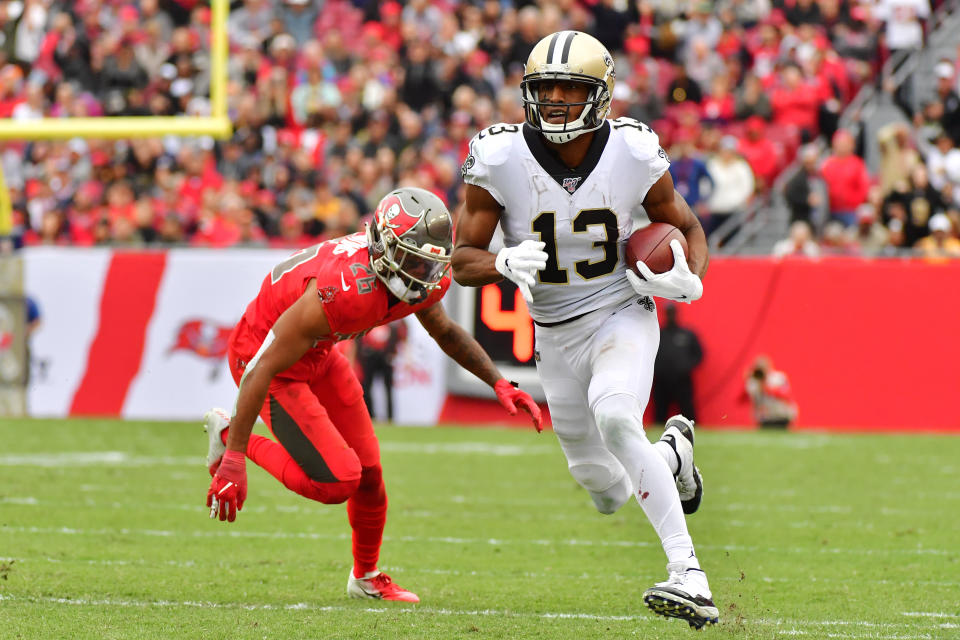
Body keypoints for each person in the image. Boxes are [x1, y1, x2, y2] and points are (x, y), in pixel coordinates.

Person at [452, 31, 718, 629]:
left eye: (570, 90)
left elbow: (687, 227)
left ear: (600, 95)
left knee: (618, 415)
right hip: (553, 331)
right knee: (604, 490)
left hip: (619, 308)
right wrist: (499, 263)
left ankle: (689, 575)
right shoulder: (498, 155)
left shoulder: (632, 149)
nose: (555, 103)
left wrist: (690, 279)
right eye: (545, 90)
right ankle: (672, 455)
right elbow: (460, 257)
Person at [203, 187, 541, 604]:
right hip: (264, 360)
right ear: (383, 248)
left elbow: (446, 332)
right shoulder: (344, 289)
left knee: (370, 475)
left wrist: (499, 382)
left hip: (319, 354)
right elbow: (261, 365)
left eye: (429, 261)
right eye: (414, 260)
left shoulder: (419, 275)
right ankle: (227, 434)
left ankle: (365, 576)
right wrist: (235, 456)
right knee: (338, 480)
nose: (424, 272)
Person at [653, 305, 703, 424]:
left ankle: (692, 433)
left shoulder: (687, 334)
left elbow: (699, 354)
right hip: (661, 382)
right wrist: (657, 369)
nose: (670, 315)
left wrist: (686, 366)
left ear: (676, 313)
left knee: (688, 412)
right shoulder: (657, 334)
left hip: (682, 381)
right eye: (668, 313)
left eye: (672, 312)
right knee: (660, 412)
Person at [357, 320, 407, 421]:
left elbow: (399, 337)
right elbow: (359, 340)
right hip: (370, 358)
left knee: (388, 389)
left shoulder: (392, 325)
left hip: (385, 358)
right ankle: (371, 416)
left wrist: (392, 354)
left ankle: (390, 417)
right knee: (366, 388)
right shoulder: (367, 323)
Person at [743, 356, 798, 429]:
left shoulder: (778, 377)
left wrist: (766, 387)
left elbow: (786, 396)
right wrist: (747, 379)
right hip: (765, 418)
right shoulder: (754, 382)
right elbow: (745, 398)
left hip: (782, 416)